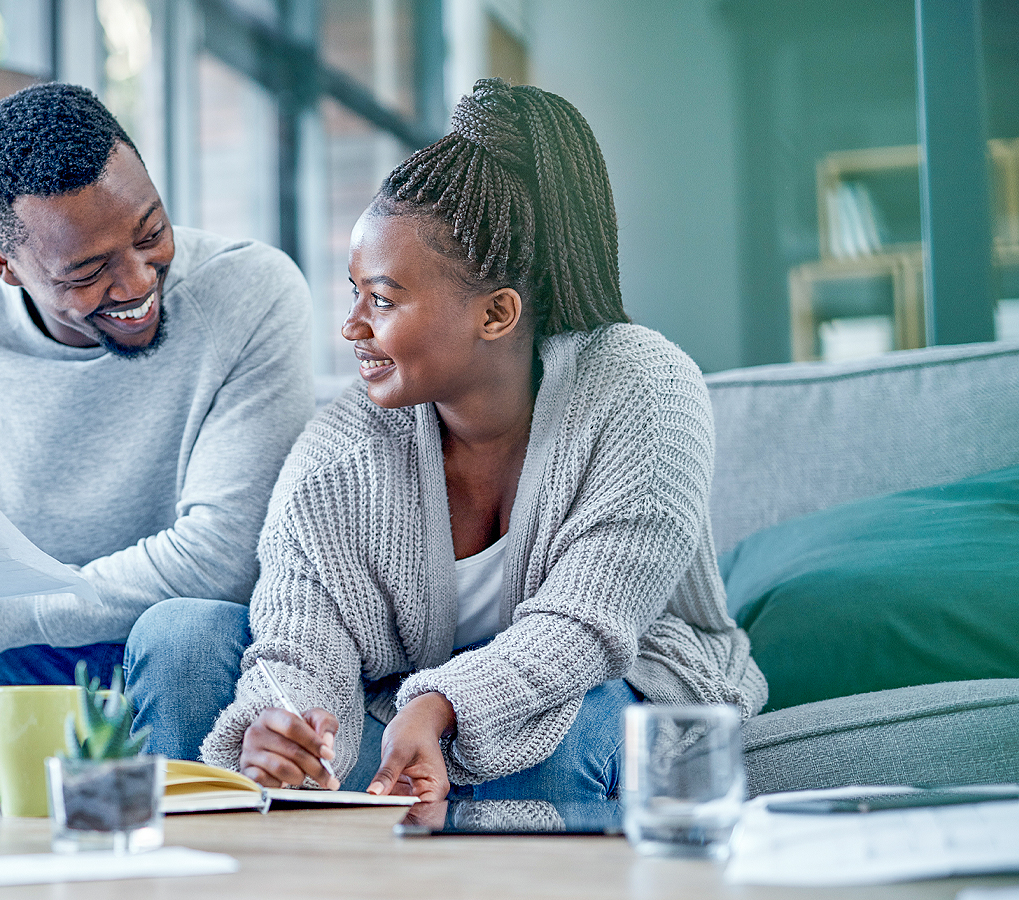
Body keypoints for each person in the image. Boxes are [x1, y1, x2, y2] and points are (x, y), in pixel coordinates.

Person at [155, 80, 766, 813]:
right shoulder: (336, 456)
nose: (350, 326)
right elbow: (298, 636)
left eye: (380, 299)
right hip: (407, 711)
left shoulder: (642, 390)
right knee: (187, 639)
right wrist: (283, 726)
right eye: (352, 293)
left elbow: (586, 624)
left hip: (620, 678)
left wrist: (440, 704)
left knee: (556, 746)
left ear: (497, 313)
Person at [0, 82, 314, 776]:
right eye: (87, 271)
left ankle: (147, 820)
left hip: (184, 666)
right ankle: (84, 784)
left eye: (150, 234)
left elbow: (225, 561)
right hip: (26, 678)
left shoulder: (252, 293)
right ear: (2, 264)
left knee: (187, 632)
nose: (138, 281)